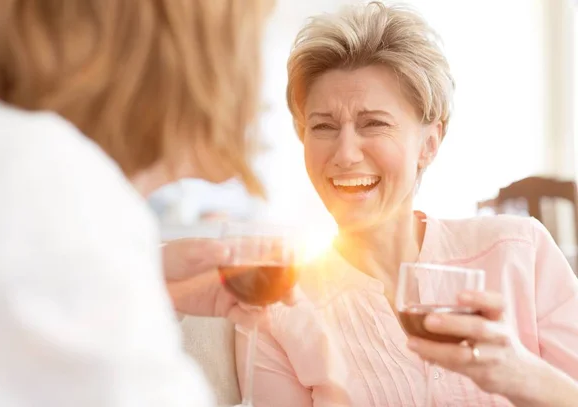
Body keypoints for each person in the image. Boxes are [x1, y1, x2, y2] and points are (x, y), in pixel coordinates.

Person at [235, 2, 578, 406]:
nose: (345, 153)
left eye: (374, 123)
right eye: (323, 126)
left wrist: (519, 374)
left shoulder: (520, 252)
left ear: (430, 143)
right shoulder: (277, 312)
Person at [0, 0, 274, 406]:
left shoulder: (19, 161)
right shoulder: (47, 182)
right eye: (252, 39)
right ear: (189, 56)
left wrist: (151, 276)